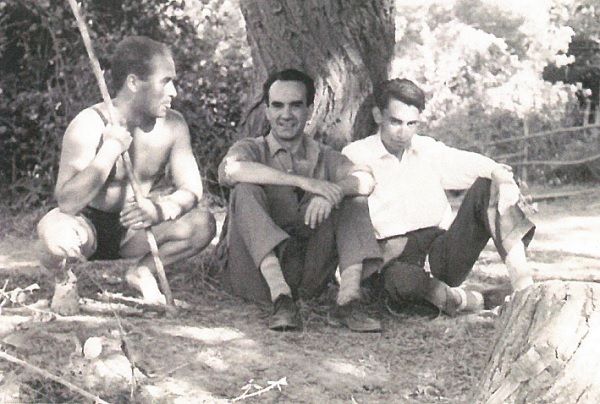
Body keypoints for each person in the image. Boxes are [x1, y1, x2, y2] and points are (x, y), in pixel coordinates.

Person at [37, 36, 216, 306]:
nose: (174, 92)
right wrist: (109, 150)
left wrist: (160, 209)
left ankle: (143, 271)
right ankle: (64, 279)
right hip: (85, 227)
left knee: (203, 225)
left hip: (134, 229)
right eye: (165, 82)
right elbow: (67, 201)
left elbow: (192, 189)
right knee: (55, 237)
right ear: (133, 83)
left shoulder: (174, 126)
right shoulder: (89, 123)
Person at [342, 78, 536, 315]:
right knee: (402, 283)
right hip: (392, 256)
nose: (403, 132)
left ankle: (524, 288)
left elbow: (473, 164)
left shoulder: (426, 149)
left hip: (441, 248)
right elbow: (351, 217)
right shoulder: (357, 154)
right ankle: (473, 300)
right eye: (395, 122)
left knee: (488, 185)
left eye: (411, 123)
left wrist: (503, 179)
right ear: (378, 115)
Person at [217, 68, 383, 332]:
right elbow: (230, 170)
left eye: (296, 105)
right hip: (256, 276)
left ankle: (349, 300)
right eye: (278, 106)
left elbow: (366, 179)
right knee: (245, 189)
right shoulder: (251, 148)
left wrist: (334, 192)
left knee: (354, 197)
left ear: (309, 110)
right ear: (267, 110)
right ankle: (281, 299)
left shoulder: (325, 155)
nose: (286, 115)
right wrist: (303, 182)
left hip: (308, 275)